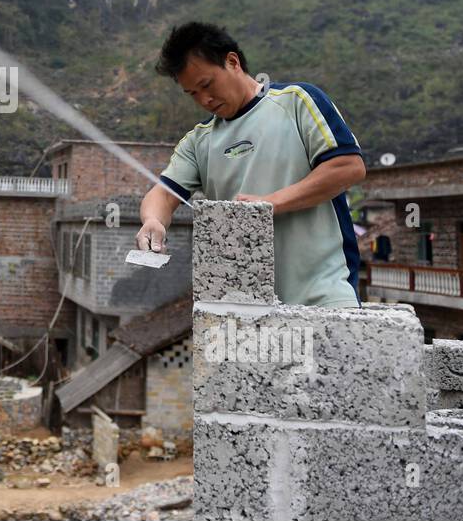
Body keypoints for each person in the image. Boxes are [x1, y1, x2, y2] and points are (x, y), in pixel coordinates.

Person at [136, 22, 367, 308]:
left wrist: (268, 204)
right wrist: (153, 221)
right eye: (192, 93)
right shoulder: (198, 141)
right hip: (244, 306)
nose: (204, 99)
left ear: (232, 61)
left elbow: (348, 167)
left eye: (207, 85)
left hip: (324, 297)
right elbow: (163, 194)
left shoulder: (297, 102)